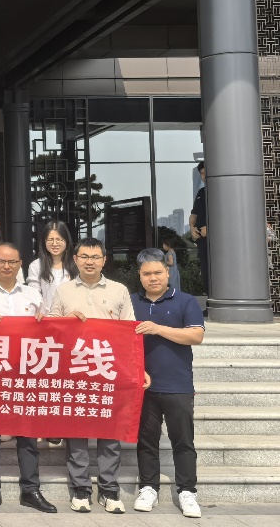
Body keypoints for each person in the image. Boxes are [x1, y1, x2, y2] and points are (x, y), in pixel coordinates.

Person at [0, 244, 57, 514]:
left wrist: (43, 320)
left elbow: (49, 328)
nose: (6, 266)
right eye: (1, 261)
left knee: (28, 436)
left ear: (20, 264)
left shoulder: (33, 294)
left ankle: (30, 490)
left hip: (26, 374)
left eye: (12, 262)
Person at [48, 236, 135, 514]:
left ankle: (109, 489)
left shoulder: (119, 290)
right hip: (74, 369)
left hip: (108, 369)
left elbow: (130, 331)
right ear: (75, 260)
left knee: (110, 430)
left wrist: (133, 368)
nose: (89, 262)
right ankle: (80, 488)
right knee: (76, 430)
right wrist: (66, 321)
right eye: (84, 256)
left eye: (95, 257)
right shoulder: (63, 291)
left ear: (104, 260)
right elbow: (50, 328)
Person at [132, 248, 205, 519]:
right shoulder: (130, 303)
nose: (153, 278)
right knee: (146, 440)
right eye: (147, 273)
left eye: (157, 273)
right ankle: (148, 488)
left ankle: (187, 491)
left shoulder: (186, 301)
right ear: (139, 275)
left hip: (178, 384)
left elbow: (196, 336)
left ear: (167, 272)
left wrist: (157, 328)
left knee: (183, 441)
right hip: (143, 385)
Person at [26, 221, 77, 315]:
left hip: (71, 317)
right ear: (44, 241)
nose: (54, 243)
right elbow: (34, 294)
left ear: (66, 240)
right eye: (50, 239)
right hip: (46, 318)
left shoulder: (76, 264)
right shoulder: (36, 266)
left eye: (59, 239)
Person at [189, 161, 208, 294]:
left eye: (205, 172)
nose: (203, 176)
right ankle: (210, 299)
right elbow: (193, 214)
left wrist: (210, 228)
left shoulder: (222, 190)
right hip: (202, 241)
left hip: (218, 242)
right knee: (206, 272)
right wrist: (192, 227)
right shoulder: (201, 192)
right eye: (201, 173)